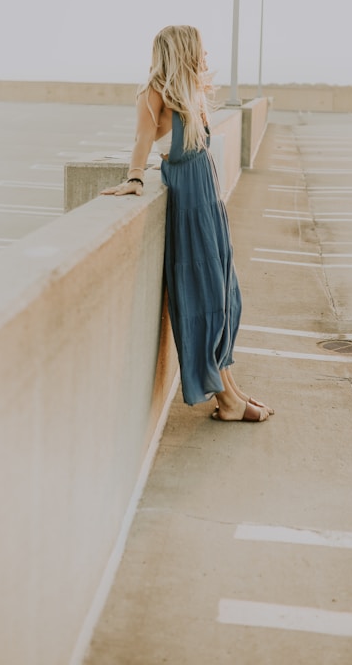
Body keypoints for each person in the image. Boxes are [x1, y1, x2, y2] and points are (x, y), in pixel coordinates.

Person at [101, 25, 272, 422]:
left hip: (208, 203)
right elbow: (143, 142)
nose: (205, 54)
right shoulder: (153, 94)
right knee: (205, 300)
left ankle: (232, 390)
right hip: (190, 208)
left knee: (223, 296)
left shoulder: (190, 95)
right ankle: (227, 400)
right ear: (182, 51)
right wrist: (134, 178)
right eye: (198, 48)